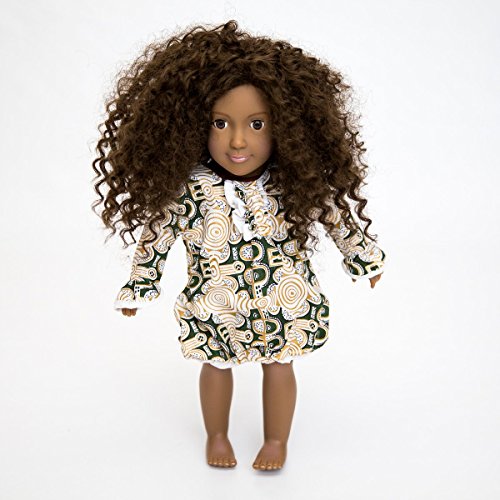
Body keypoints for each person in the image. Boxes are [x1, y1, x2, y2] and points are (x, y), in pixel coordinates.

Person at [91, 20, 386, 471]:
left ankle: (276, 441)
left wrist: (362, 257)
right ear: (194, 124)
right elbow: (156, 236)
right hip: (216, 301)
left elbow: (334, 215)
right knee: (215, 365)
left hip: (283, 299)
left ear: (286, 125)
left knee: (280, 364)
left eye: (256, 123)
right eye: (220, 123)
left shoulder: (294, 180)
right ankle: (217, 434)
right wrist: (140, 285)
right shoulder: (191, 188)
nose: (238, 140)